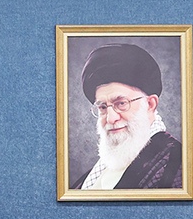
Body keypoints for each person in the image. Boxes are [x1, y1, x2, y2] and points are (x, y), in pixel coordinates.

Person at [72, 43, 182, 190]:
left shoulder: (177, 164)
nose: (110, 118)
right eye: (103, 107)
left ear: (150, 104)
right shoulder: (94, 174)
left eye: (121, 103)